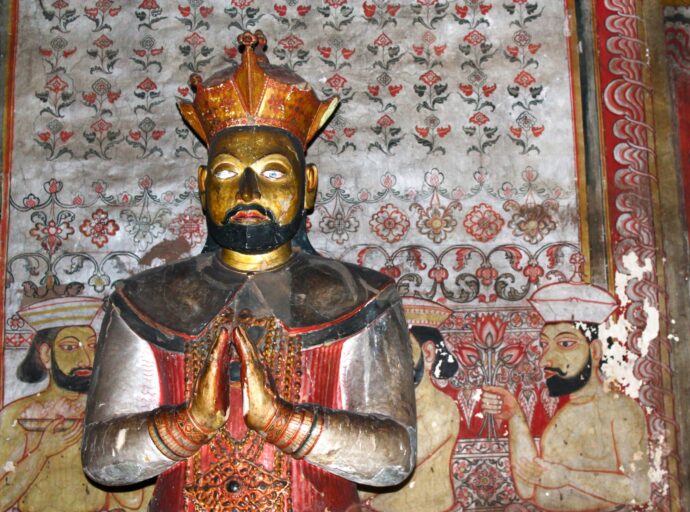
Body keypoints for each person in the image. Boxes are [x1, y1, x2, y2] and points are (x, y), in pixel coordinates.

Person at [82, 30, 416, 512]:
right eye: (225, 173)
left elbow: (394, 456)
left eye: (274, 172)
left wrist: (282, 421)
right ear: (202, 186)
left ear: (309, 186)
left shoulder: (363, 297)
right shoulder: (144, 299)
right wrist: (190, 422)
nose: (246, 191)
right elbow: (100, 458)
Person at [481, 279, 650, 511]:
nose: (545, 360)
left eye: (565, 343)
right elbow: (529, 488)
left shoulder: (620, 410)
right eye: (544, 345)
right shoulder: (565, 416)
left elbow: (639, 490)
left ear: (595, 351)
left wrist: (569, 477)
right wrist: (515, 417)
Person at [0, 296, 148, 512]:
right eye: (70, 347)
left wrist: (99, 445)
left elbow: (135, 502)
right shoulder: (17, 415)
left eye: (91, 346)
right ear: (46, 354)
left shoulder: (109, 414)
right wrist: (42, 452)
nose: (86, 359)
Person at [361, 297, 460, 512]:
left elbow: (381, 475)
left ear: (428, 353)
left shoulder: (442, 411)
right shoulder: (391, 408)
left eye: (402, 346)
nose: (390, 358)